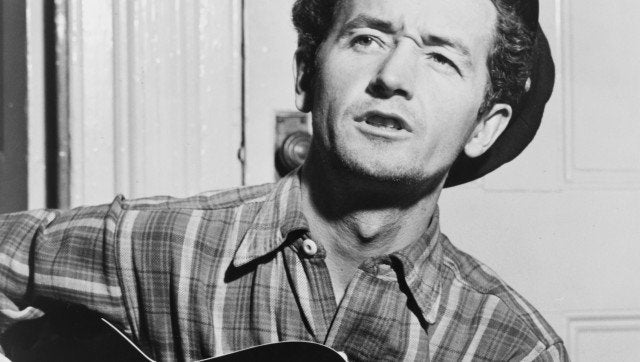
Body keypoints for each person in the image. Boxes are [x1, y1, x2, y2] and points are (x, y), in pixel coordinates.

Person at [0, 0, 568, 360]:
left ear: (485, 128)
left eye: (442, 57)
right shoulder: (159, 246)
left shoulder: (513, 348)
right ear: (305, 74)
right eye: (367, 37)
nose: (393, 76)